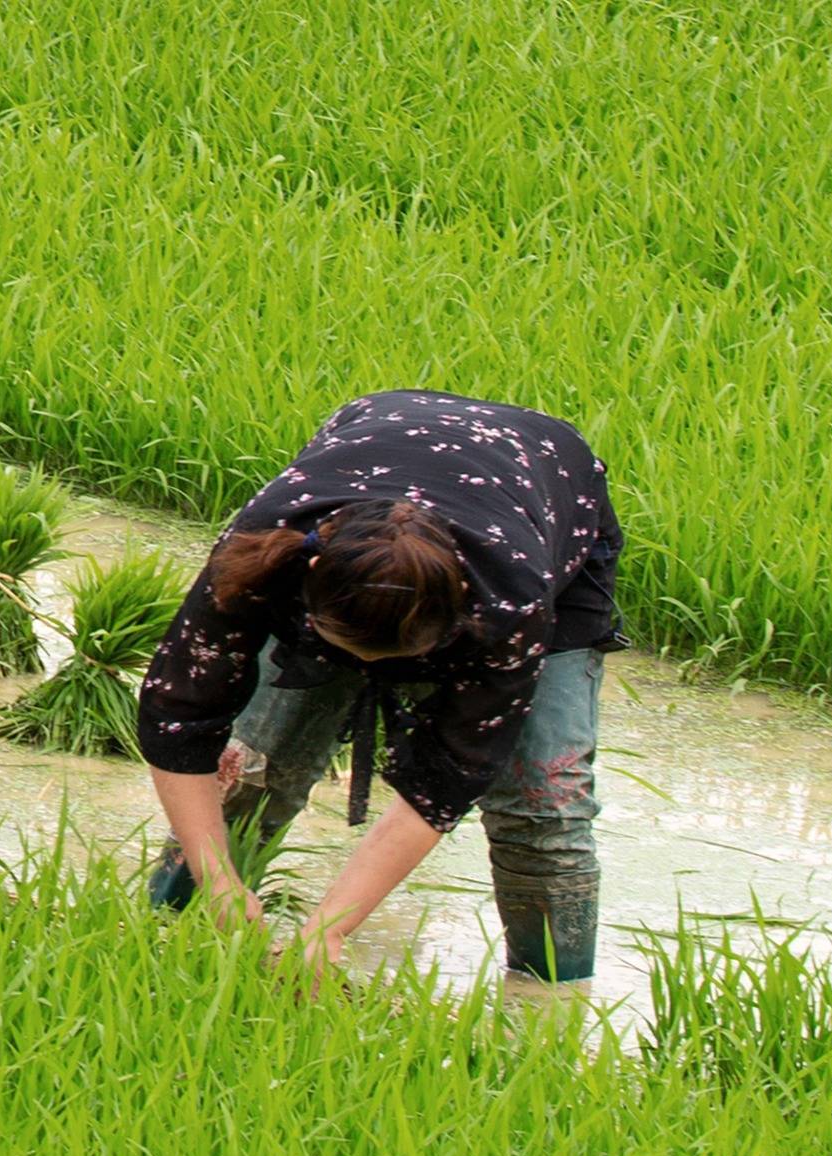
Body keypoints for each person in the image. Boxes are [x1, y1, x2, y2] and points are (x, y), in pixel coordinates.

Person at [137, 390, 624, 983]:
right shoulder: (269, 547)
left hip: (543, 486)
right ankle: (169, 943)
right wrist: (219, 883)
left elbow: (448, 777)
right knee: (253, 767)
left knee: (544, 807)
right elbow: (179, 719)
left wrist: (330, 927)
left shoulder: (507, 600)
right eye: (348, 650)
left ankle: (551, 1003)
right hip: (374, 450)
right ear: (309, 590)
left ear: (456, 622)